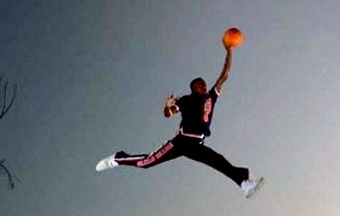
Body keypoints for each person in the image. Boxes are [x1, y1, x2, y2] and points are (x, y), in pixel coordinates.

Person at [95, 42, 264, 198]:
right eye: (199, 85)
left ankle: (243, 181)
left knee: (218, 161)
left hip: (196, 145)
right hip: (180, 142)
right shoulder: (185, 100)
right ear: (193, 88)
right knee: (145, 163)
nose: (204, 86)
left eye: (204, 84)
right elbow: (168, 114)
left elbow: (224, 75)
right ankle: (118, 158)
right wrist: (166, 106)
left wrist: (229, 50)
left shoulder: (211, 97)